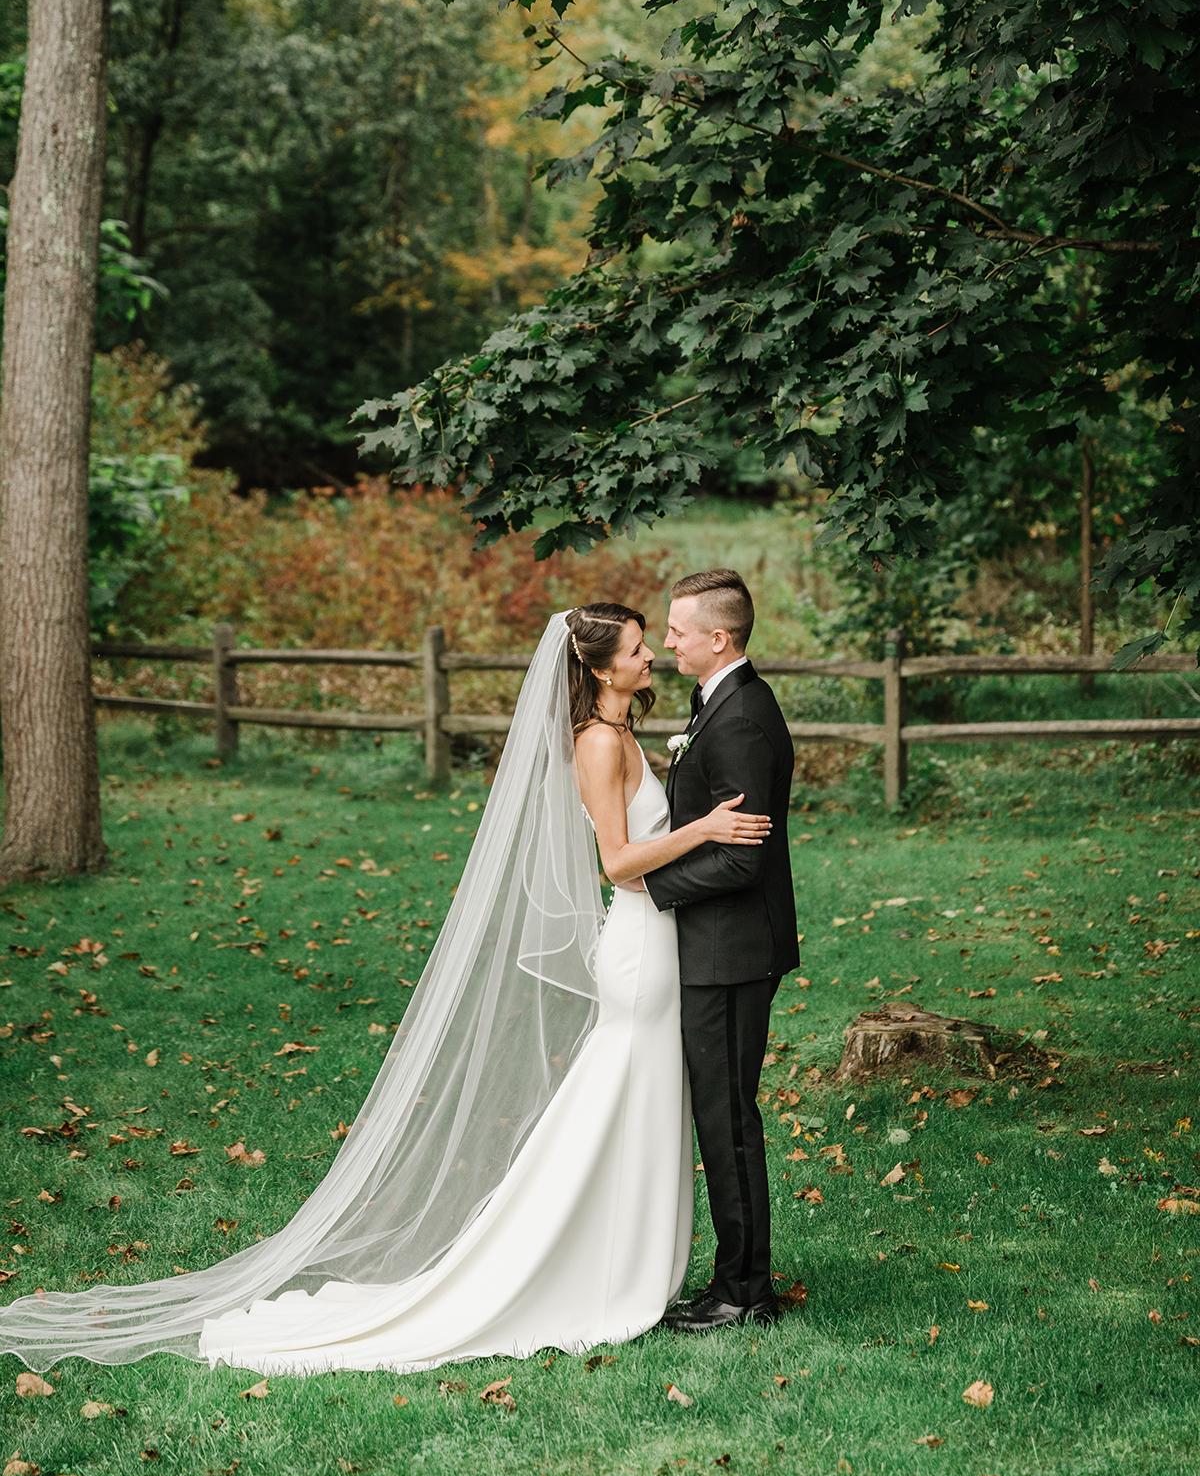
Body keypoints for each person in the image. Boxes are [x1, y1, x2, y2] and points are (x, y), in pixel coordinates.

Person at [0, 604, 771, 1374]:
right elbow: (616, 862)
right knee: (620, 1103)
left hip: (660, 943)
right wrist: (703, 829)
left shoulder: (624, 733)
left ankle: (625, 1259)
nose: (650, 659)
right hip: (640, 949)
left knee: (632, 1104)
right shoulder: (599, 743)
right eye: (638, 650)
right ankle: (584, 1267)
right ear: (602, 670)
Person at [643, 570, 798, 1333]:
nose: (666, 640)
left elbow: (742, 858)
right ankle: (738, 1278)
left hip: (730, 950)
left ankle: (743, 1293)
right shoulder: (721, 703)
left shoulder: (740, 718)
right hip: (717, 946)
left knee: (728, 1119)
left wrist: (652, 884)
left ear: (719, 638)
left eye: (676, 630)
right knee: (721, 1116)